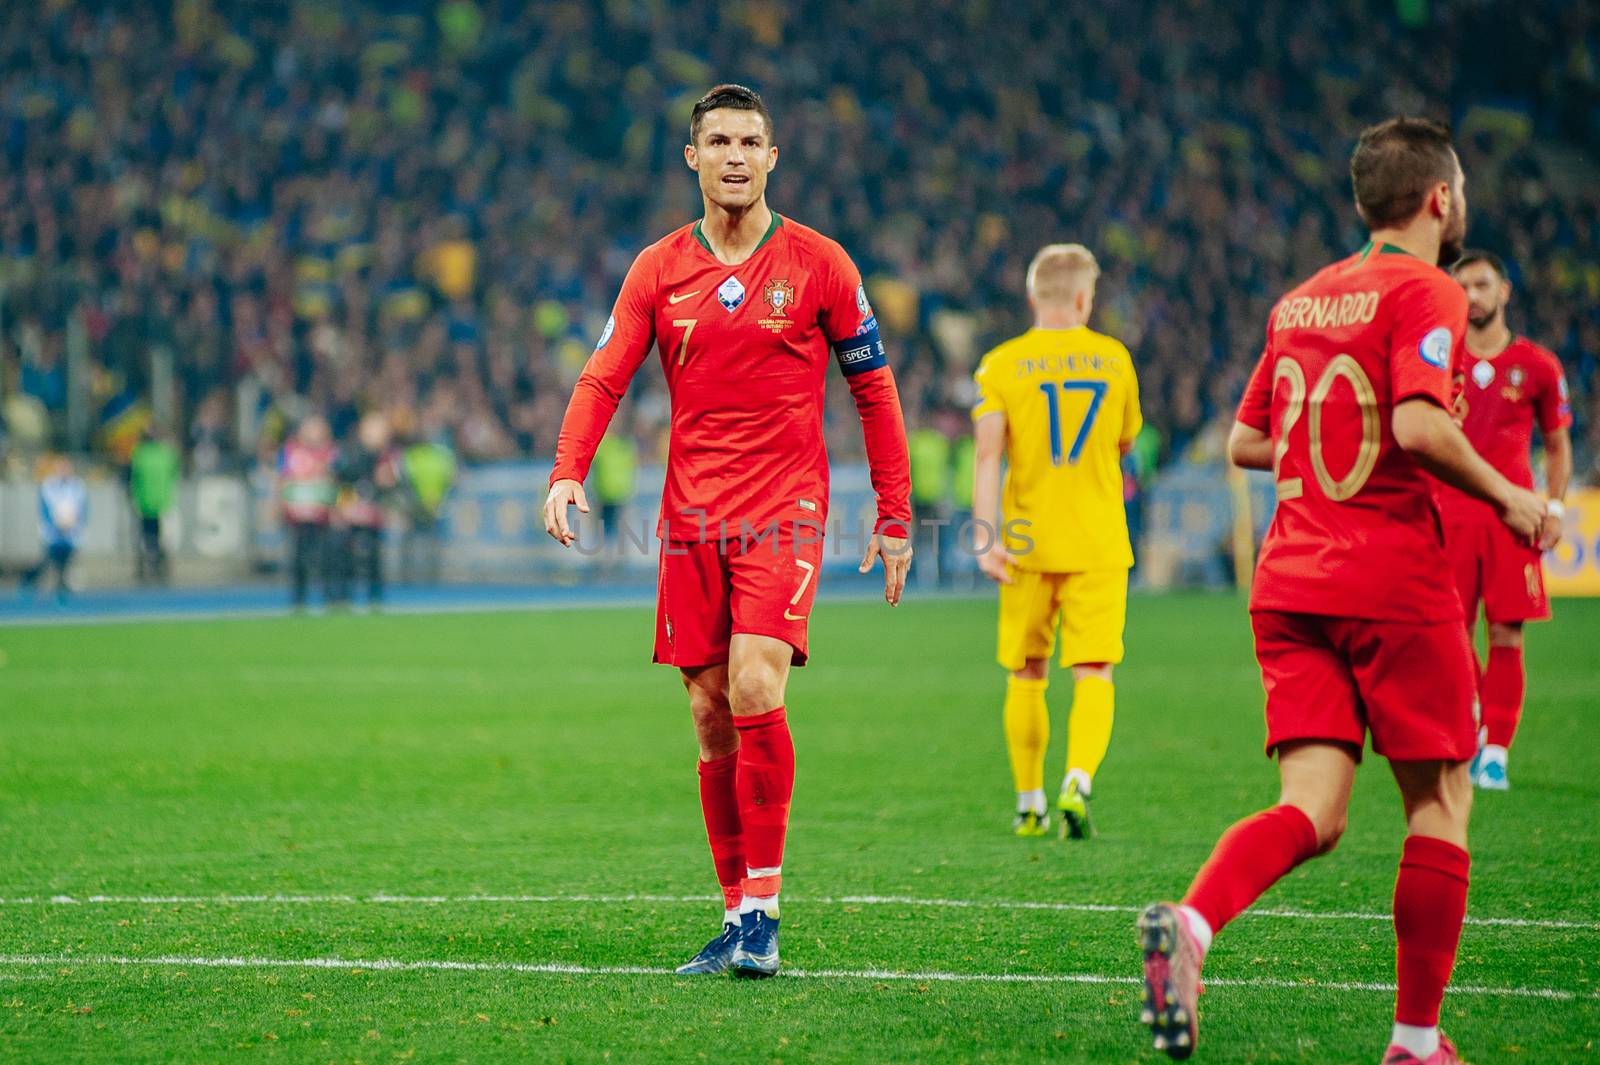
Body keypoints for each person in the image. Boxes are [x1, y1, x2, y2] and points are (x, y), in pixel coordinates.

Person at [1135, 118, 1547, 1064]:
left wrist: (1329, 458)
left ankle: (1192, 927)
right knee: (1441, 800)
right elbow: (1414, 423)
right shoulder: (1428, 289)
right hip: (1389, 579)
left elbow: (1246, 440)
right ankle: (1413, 1040)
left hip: (1290, 581)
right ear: (1441, 198)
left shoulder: (1302, 299)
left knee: (1314, 808)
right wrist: (1510, 495)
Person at [542, 84, 912, 979]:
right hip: (691, 514)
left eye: (752, 140)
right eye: (720, 141)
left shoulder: (822, 264)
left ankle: (768, 915)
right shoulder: (657, 270)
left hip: (786, 506)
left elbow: (874, 386)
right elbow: (603, 377)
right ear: (693, 158)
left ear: (773, 157)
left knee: (754, 682)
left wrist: (895, 512)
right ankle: (736, 911)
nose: (737, 155)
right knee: (710, 714)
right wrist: (566, 469)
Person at [971, 244, 1142, 840]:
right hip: (1098, 541)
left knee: (1027, 673)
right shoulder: (1114, 360)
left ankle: (1029, 802)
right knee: (1094, 671)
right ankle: (1078, 780)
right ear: (1082, 298)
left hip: (1024, 542)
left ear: (1032, 296)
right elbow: (1124, 443)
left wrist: (987, 536)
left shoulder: (1000, 365)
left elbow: (989, 455)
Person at [1439, 251, 1571, 791]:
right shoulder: (1440, 361)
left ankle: (1494, 751)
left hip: (1512, 516)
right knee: (1449, 633)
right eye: (1462, 286)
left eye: (1482, 284)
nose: (1472, 295)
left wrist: (1555, 506)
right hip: (1447, 514)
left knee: (1506, 633)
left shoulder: (1538, 365)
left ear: (1504, 291)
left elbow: (1558, 445)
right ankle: (1473, 720)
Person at [332, 413, 398, 609]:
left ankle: (374, 598)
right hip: (352, 512)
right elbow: (341, 482)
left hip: (373, 514)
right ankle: (342, 597)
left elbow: (389, 485)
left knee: (374, 558)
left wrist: (386, 484)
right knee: (345, 556)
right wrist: (341, 509)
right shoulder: (350, 454)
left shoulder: (386, 457)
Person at [278, 415, 337, 610]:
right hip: (298, 514)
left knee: (326, 558)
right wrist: (279, 504)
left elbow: (336, 482)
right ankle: (298, 598)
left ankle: (330, 597)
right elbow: (284, 480)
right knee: (298, 559)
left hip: (322, 514)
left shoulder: (331, 453)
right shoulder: (291, 452)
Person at [21, 455, 88, 604]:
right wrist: (56, 525)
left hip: (70, 533)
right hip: (53, 533)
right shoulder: (48, 486)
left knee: (64, 564)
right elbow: (44, 510)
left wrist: (74, 524)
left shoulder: (78, 486)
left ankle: (61, 592)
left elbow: (83, 509)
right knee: (48, 561)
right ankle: (29, 578)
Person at [400, 431, 457, 586]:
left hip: (419, 505)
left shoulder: (412, 456)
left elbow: (404, 480)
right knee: (426, 542)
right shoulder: (440, 455)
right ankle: (426, 578)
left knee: (417, 542)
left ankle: (413, 578)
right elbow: (452, 479)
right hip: (430, 505)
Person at [129, 426, 181, 584]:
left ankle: (146, 568)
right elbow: (175, 473)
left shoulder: (139, 454)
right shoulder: (167, 454)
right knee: (165, 538)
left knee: (146, 537)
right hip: (164, 502)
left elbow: (132, 477)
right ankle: (161, 568)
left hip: (144, 503)